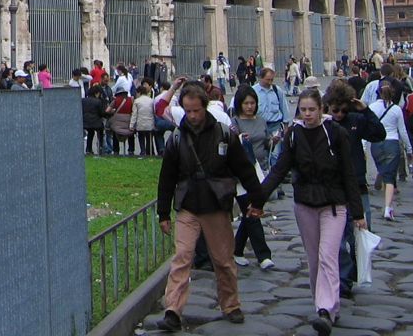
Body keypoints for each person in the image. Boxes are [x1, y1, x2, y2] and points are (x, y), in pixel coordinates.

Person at [155, 82, 264, 331]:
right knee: (182, 258)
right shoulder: (177, 138)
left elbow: (244, 170)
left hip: (215, 205)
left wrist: (257, 200)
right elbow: (166, 178)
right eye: (188, 111)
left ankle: (231, 304)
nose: (192, 116)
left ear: (205, 107)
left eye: (196, 110)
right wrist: (163, 213)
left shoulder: (225, 134)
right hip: (188, 205)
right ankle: (172, 309)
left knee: (223, 260)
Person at [260, 89, 366, 335]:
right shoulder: (294, 135)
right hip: (305, 204)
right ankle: (328, 304)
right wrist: (259, 197)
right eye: (303, 110)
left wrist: (358, 212)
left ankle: (325, 310)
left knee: (328, 255)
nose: (307, 114)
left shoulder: (336, 134)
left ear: (321, 110)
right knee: (314, 259)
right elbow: (279, 169)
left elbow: (348, 173)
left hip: (333, 204)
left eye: (311, 110)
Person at [324, 80, 386, 302]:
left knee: (359, 233)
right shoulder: (325, 125)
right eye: (335, 110)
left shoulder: (356, 121)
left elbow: (379, 134)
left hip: (358, 185)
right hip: (334, 187)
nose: (339, 114)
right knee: (339, 237)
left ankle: (351, 273)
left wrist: (366, 110)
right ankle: (343, 280)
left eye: (343, 109)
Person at [229, 84, 275, 270]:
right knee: (252, 213)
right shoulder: (235, 122)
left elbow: (265, 142)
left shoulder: (261, 121)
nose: (250, 106)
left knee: (250, 214)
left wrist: (272, 140)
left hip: (259, 171)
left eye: (253, 103)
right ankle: (263, 256)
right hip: (241, 174)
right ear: (240, 104)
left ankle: (237, 250)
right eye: (246, 103)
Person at [367, 83, 411, 220]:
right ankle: (387, 207)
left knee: (384, 172)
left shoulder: (372, 108)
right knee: (390, 177)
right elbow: (402, 131)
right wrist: (409, 148)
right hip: (392, 142)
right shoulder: (397, 109)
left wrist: (363, 145)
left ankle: (388, 204)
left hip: (376, 144)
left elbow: (366, 127)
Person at [132, 82, 157, 156]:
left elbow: (134, 114)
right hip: (150, 124)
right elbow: (154, 113)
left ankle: (142, 151)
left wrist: (131, 125)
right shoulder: (151, 101)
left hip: (140, 124)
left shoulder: (137, 101)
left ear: (139, 93)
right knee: (149, 138)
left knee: (141, 137)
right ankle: (149, 152)